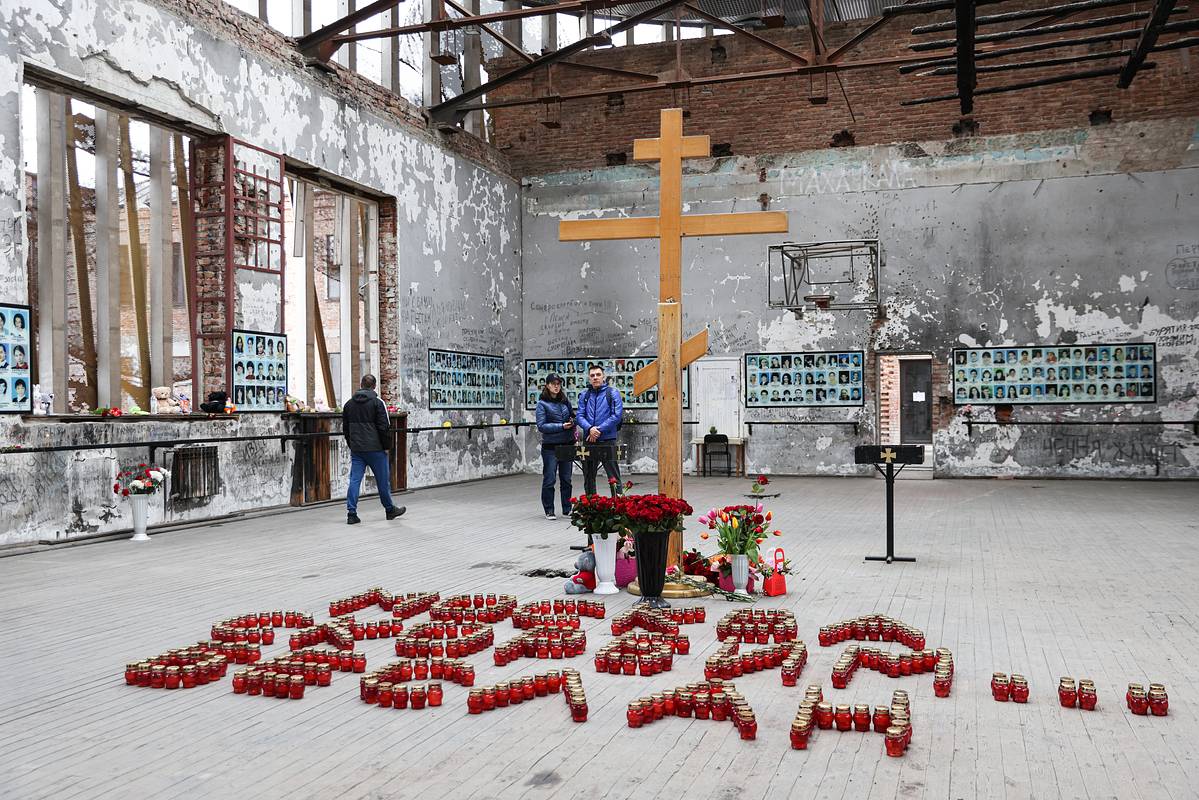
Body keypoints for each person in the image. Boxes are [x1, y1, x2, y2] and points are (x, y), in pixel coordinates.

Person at [342, 374, 406, 525]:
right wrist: (386, 447)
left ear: (361, 385)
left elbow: (345, 429)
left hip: (357, 449)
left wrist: (352, 445)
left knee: (355, 480)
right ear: (374, 386)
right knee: (383, 482)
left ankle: (352, 513)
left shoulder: (348, 404)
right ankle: (390, 510)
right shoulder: (378, 403)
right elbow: (384, 427)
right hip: (375, 449)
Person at [576, 363, 622, 496]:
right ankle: (591, 505)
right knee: (589, 476)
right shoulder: (584, 394)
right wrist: (590, 428)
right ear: (589, 378)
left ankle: (617, 505)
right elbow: (579, 416)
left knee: (613, 476)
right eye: (592, 375)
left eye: (598, 375)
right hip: (589, 440)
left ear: (603, 377)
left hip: (607, 439)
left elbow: (616, 416)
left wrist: (598, 430)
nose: (595, 377)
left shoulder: (612, 392)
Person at [536, 374, 575, 520]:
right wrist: (561, 426)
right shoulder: (542, 404)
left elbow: (572, 415)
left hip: (567, 445)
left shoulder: (565, 401)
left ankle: (567, 508)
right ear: (547, 385)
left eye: (558, 383)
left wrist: (573, 420)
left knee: (566, 479)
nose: (556, 386)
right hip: (550, 447)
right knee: (550, 478)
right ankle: (549, 510)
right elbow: (541, 426)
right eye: (553, 383)